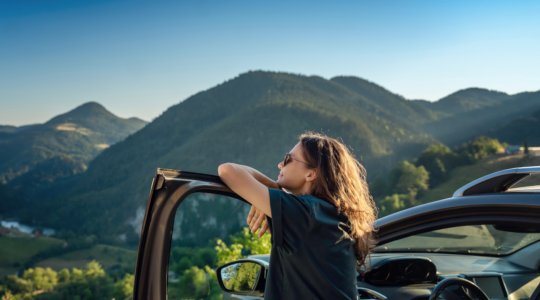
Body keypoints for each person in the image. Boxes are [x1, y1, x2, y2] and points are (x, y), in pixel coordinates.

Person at [218, 132, 377, 299]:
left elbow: (228, 171)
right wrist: (273, 194)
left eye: (288, 159)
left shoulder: (306, 213)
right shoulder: (330, 214)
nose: (280, 165)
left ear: (311, 174)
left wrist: (273, 190)